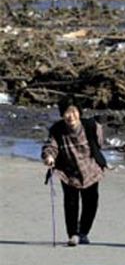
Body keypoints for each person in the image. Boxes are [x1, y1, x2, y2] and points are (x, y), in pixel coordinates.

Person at [42, 95, 106, 246]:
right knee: (71, 203)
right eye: (66, 112)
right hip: (68, 171)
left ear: (79, 112)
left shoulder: (91, 126)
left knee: (91, 203)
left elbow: (99, 143)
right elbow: (51, 146)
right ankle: (73, 234)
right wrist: (49, 157)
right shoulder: (57, 130)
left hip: (90, 169)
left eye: (73, 111)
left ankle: (83, 232)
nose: (70, 116)